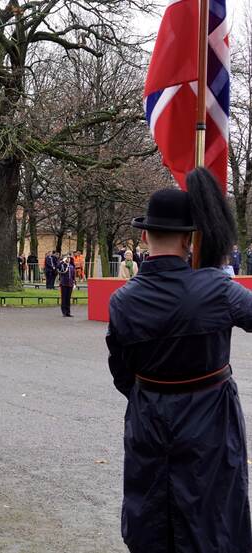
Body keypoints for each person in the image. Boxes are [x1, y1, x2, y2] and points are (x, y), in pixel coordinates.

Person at [107, 168, 252, 553]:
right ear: (190, 238)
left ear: (143, 236)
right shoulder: (217, 288)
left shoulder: (122, 301)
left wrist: (154, 394)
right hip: (211, 421)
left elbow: (122, 374)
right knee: (214, 518)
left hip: (149, 418)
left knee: (154, 519)